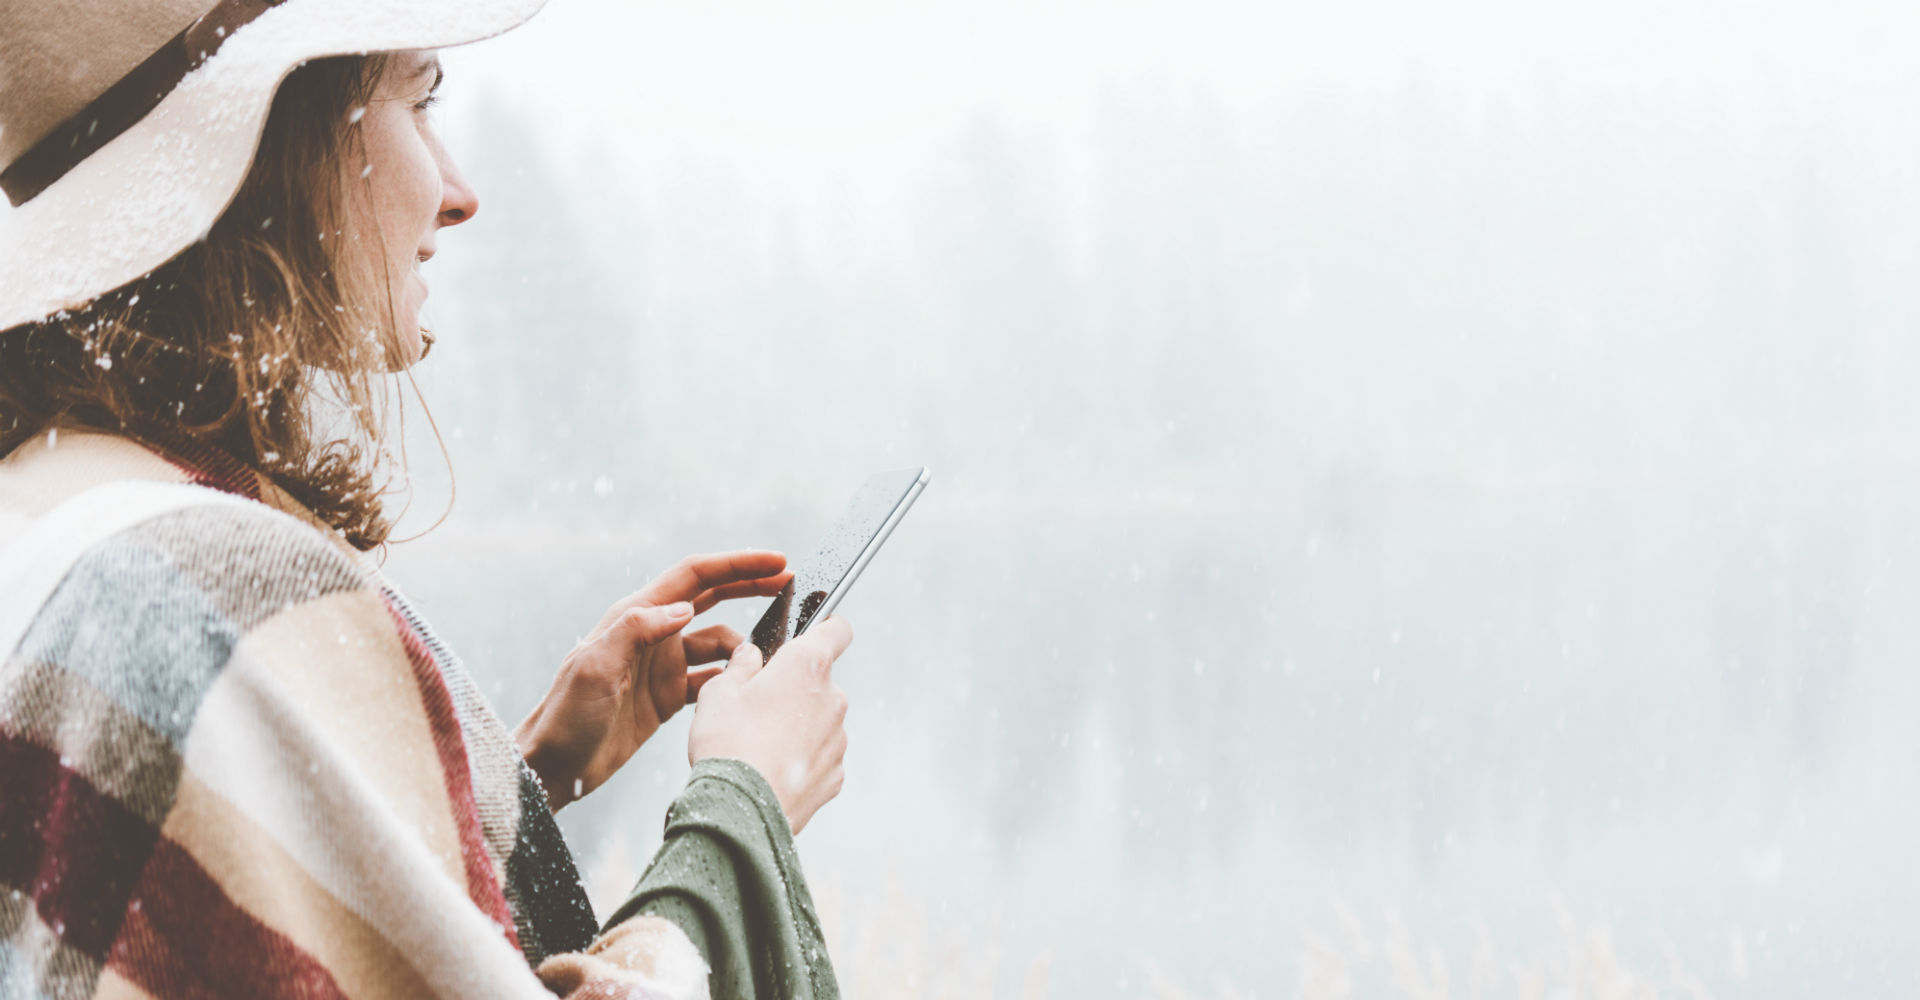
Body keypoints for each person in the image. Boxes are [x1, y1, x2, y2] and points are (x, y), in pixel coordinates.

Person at [0, 1, 855, 997]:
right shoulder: (211, 587)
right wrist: (742, 807)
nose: (459, 193)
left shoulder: (51, 505)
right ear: (274, 148)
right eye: (419, 100)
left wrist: (519, 782)